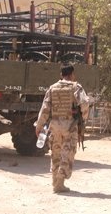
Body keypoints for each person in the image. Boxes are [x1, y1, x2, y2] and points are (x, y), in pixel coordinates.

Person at [35, 63, 90, 193]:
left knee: (56, 153)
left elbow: (45, 109)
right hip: (70, 126)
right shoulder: (76, 87)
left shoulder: (52, 88)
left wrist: (39, 126)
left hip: (54, 125)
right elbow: (85, 103)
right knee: (67, 153)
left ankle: (55, 182)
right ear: (72, 74)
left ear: (61, 74)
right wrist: (83, 118)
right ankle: (60, 183)